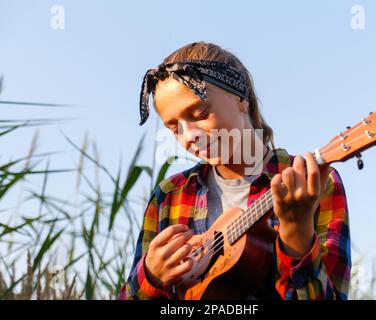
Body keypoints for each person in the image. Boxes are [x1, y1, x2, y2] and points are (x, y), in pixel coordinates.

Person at [118, 42, 351, 300]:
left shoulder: (312, 180)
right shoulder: (169, 196)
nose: (189, 136)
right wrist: (150, 276)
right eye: (175, 128)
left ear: (241, 99)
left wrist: (297, 237)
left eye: (200, 113)